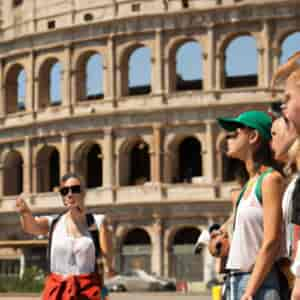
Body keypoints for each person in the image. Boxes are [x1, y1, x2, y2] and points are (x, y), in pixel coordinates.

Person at [217, 110, 284, 300]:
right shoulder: (248, 184)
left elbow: (272, 240)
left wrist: (250, 291)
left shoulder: (270, 180)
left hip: (257, 284)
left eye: (235, 133)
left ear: (253, 136)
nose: (228, 138)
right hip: (234, 280)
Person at [16, 172, 115, 300]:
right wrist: (25, 212)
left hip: (86, 292)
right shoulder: (54, 222)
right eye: (64, 191)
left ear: (83, 193)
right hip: (57, 292)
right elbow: (31, 227)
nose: (69, 194)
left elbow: (108, 258)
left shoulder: (98, 222)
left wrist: (109, 268)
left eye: (75, 189)